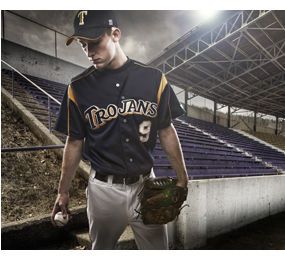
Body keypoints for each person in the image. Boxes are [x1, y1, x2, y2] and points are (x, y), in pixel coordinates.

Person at [50, 10, 188, 250]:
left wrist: (183, 178)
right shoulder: (78, 87)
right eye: (83, 45)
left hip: (146, 187)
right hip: (103, 190)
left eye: (95, 42)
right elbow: (74, 142)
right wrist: (63, 192)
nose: (90, 52)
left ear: (115, 34)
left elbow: (166, 130)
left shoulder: (155, 79)